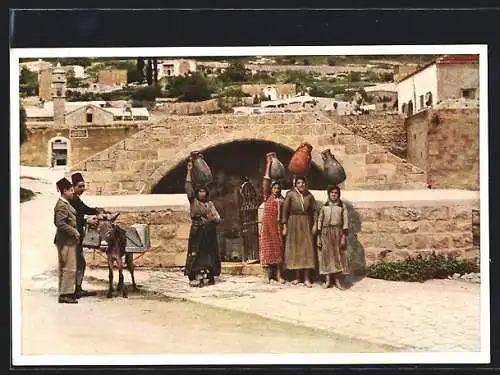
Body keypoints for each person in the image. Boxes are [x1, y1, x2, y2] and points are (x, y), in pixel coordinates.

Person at [184, 159, 222, 287]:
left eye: (203, 191)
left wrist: (211, 218)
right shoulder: (193, 201)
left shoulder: (209, 204)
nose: (202, 193)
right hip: (197, 231)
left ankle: (208, 274)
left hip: (208, 232)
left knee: (209, 253)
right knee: (196, 252)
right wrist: (189, 170)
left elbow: (217, 218)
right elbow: (188, 187)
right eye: (199, 191)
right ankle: (195, 274)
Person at [70, 172, 103, 298]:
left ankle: (77, 289)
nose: (82, 189)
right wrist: (86, 220)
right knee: (77, 263)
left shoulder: (76, 199)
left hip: (77, 236)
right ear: (73, 187)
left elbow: (85, 209)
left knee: (79, 263)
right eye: (80, 186)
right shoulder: (71, 200)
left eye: (83, 186)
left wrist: (97, 210)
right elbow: (72, 218)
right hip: (72, 237)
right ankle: (74, 290)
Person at [281, 176, 317, 287]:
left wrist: (315, 224)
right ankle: (297, 277)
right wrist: (285, 226)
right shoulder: (290, 195)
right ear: (295, 184)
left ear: (305, 184)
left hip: (306, 223)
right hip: (293, 223)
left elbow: (314, 210)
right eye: (299, 183)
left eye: (303, 183)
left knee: (306, 249)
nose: (301, 185)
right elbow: (285, 210)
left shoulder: (309, 196)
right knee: (296, 249)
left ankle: (306, 278)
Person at [316, 185, 350, 290]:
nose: (334, 195)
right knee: (326, 256)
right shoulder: (324, 207)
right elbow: (319, 221)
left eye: (336, 193)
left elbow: (345, 222)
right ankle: (328, 280)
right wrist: (318, 236)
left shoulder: (342, 207)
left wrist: (344, 236)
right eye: (332, 193)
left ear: (338, 195)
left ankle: (337, 280)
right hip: (325, 233)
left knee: (337, 256)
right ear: (329, 194)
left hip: (338, 233)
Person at [259, 154, 285, 284]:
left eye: (278, 188)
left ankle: (279, 275)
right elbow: (265, 181)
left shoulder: (282, 200)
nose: (276, 190)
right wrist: (268, 165)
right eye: (274, 188)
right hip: (268, 228)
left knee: (279, 250)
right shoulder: (267, 197)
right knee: (267, 250)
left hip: (278, 228)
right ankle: (267, 276)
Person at [53, 178, 80, 304]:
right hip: (65, 240)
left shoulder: (66, 203)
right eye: (70, 191)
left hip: (67, 240)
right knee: (69, 267)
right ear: (64, 191)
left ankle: (64, 292)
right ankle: (65, 294)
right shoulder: (62, 205)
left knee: (66, 267)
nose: (73, 192)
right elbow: (59, 223)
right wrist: (73, 231)